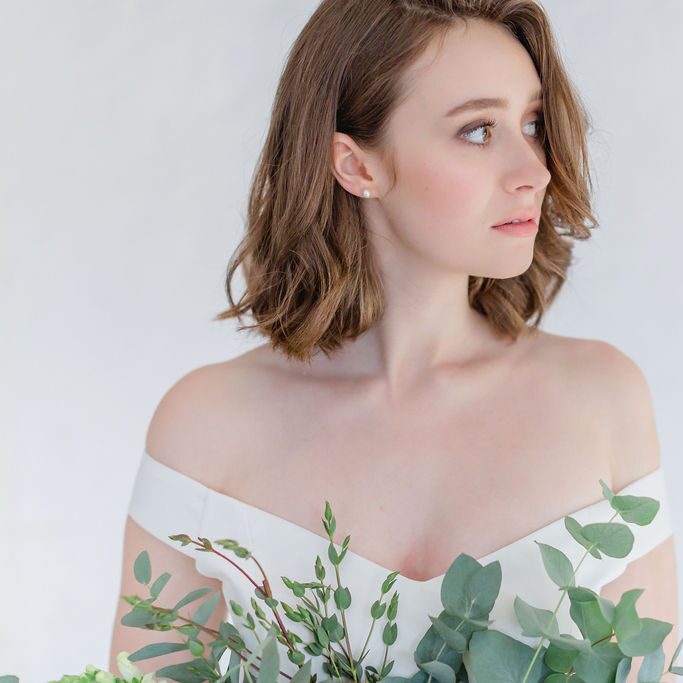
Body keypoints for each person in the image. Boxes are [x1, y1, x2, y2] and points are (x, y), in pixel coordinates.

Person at [109, 1, 679, 681]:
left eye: (531, 124)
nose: (533, 168)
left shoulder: (602, 400)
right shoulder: (205, 427)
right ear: (356, 166)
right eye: (477, 130)